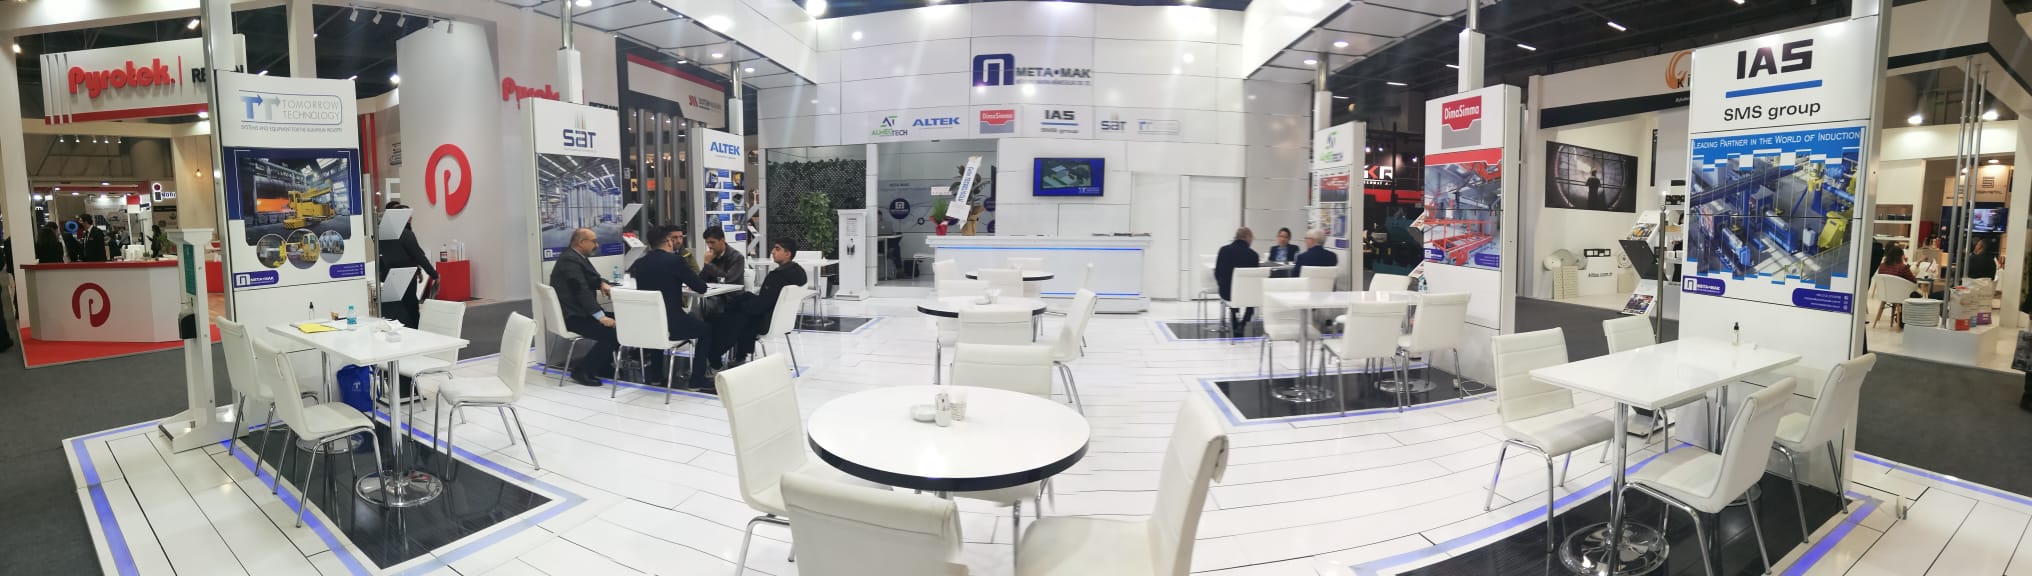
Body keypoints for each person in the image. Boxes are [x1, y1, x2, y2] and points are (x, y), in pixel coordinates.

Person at [630, 224, 717, 389]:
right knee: (706, 330)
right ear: (669, 241)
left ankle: (656, 376)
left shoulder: (639, 263)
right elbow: (701, 287)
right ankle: (697, 379)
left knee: (658, 321)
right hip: (673, 324)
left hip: (649, 324)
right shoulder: (675, 261)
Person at [711, 238, 807, 365]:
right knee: (743, 300)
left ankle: (713, 356)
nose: (772, 252)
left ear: (787, 254)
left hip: (765, 321)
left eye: (777, 249)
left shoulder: (777, 277)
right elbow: (768, 299)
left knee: (731, 318)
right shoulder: (799, 273)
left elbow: (759, 306)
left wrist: (739, 305)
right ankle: (738, 356)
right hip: (781, 320)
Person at [550, 227, 618, 386]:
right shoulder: (569, 261)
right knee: (612, 334)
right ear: (581, 242)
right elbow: (581, 290)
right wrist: (601, 317)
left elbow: (591, 277)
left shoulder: (576, 257)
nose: (597, 245)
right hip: (574, 316)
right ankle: (582, 371)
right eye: (594, 241)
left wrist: (601, 283)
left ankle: (601, 366)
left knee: (622, 323)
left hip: (581, 312)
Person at [377, 203, 438, 329]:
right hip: (406, 276)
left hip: (391, 276)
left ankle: (395, 331)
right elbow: (418, 256)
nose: (411, 217)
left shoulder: (383, 234)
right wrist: (434, 274)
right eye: (408, 214)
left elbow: (394, 256)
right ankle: (416, 333)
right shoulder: (405, 234)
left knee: (392, 309)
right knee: (410, 308)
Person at [1214, 227, 1260, 335]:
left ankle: (1234, 315)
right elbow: (1254, 280)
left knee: (1234, 291)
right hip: (1246, 294)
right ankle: (1243, 322)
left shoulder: (1223, 250)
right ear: (1248, 237)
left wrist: (1222, 285)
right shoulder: (1253, 255)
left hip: (1226, 293)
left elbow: (1217, 273)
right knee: (1252, 294)